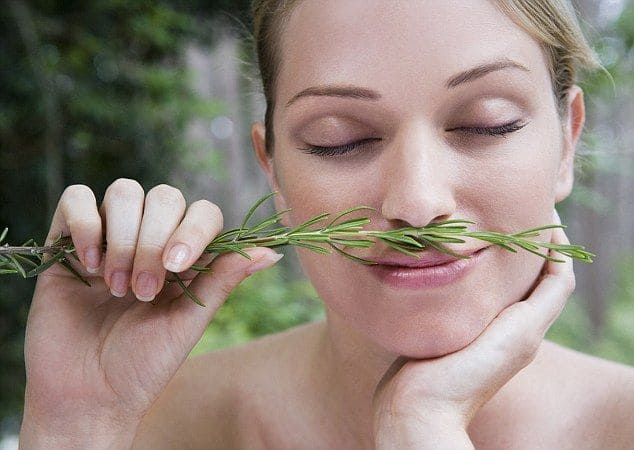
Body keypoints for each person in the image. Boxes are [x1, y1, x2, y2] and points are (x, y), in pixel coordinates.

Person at [18, 0, 634, 448]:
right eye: (341, 140)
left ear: (566, 142)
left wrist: (423, 429)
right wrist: (78, 425)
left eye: (488, 124)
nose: (417, 204)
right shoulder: (153, 422)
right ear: (274, 171)